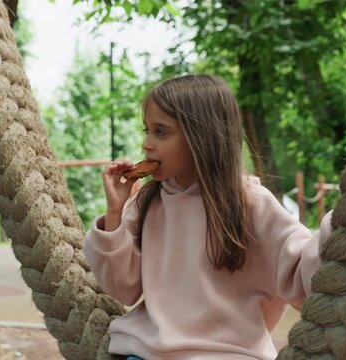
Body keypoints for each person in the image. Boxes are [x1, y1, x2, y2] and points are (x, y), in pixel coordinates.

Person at [83, 74, 332, 360]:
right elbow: (122, 289)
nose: (146, 144)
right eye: (147, 131)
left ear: (200, 137)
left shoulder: (250, 203)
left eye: (161, 132)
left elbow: (303, 275)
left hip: (227, 353)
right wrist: (114, 213)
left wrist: (343, 227)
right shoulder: (148, 201)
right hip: (148, 352)